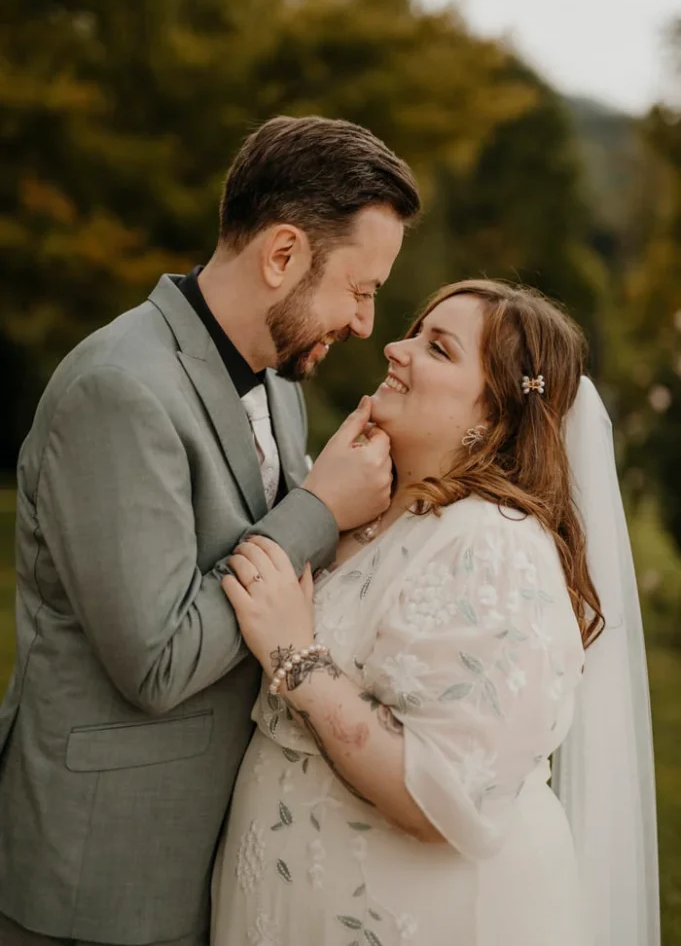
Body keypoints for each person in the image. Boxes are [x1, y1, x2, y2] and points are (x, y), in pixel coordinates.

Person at [0, 116, 420, 946]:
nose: (366, 324)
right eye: (360, 289)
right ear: (282, 255)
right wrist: (319, 508)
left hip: (222, 858)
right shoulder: (119, 389)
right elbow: (155, 663)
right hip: (104, 873)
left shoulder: (279, 379)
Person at [211, 279, 660, 946]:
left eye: (438, 348)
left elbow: (444, 796)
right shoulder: (373, 515)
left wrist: (293, 656)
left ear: (495, 413)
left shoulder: (493, 546)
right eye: (414, 334)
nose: (394, 349)